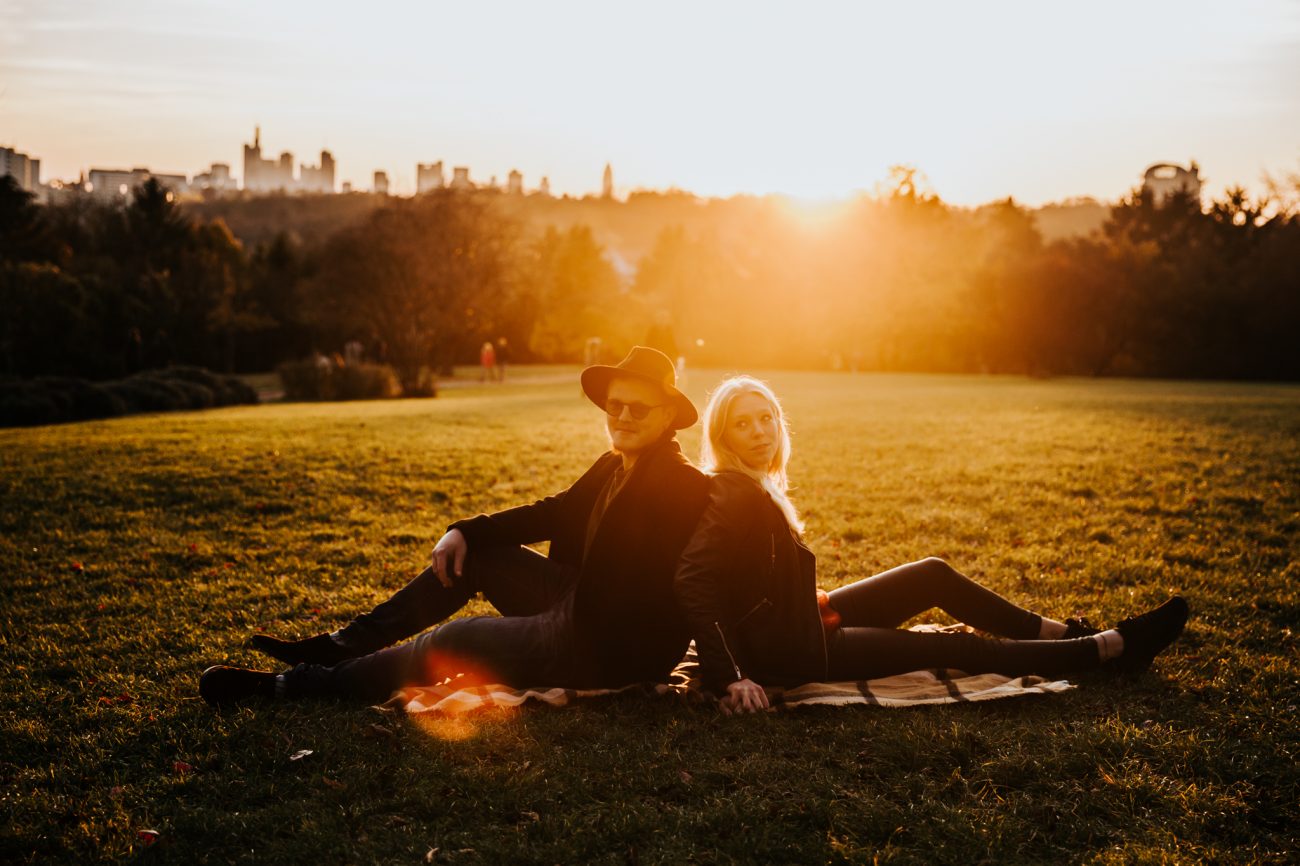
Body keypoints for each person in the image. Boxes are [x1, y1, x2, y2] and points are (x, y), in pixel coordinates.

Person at [200, 347, 710, 706]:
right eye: (613, 405)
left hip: (608, 646)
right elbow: (554, 512)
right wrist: (467, 529)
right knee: (478, 556)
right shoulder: (614, 464)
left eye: (637, 408)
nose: (621, 415)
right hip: (577, 602)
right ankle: (340, 645)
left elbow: (696, 585)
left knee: (456, 640)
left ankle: (297, 686)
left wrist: (727, 675)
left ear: (667, 417)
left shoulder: (678, 484)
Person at [675, 376, 1190, 715]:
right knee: (955, 647)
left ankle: (1066, 634)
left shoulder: (756, 483)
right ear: (724, 436)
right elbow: (694, 579)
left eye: (765, 417)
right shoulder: (733, 491)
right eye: (742, 424)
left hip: (806, 619)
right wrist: (734, 677)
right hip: (798, 652)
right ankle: (1106, 649)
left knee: (932, 573)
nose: (759, 431)